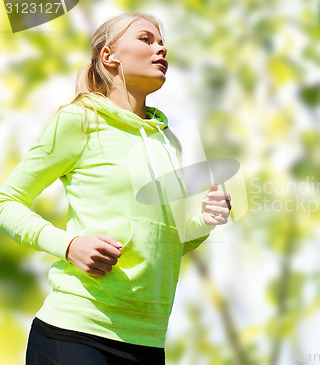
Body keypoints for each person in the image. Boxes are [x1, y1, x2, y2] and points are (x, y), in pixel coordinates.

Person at [0, 12, 231, 365]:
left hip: (148, 341)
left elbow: (167, 242)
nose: (161, 48)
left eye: (162, 42)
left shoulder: (171, 143)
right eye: (146, 39)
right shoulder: (80, 120)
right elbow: (6, 201)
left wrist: (205, 220)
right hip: (76, 332)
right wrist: (70, 245)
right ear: (110, 56)